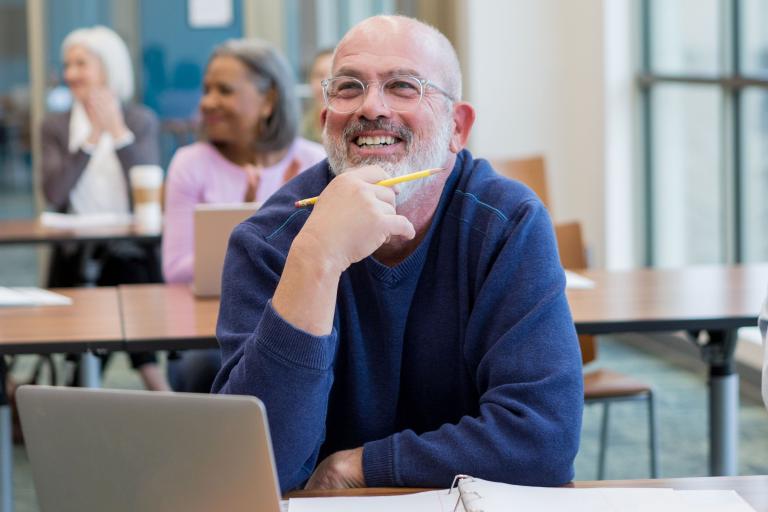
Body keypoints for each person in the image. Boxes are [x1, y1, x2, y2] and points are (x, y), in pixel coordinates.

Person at [213, 15, 583, 492]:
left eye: (403, 86)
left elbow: (543, 440)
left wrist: (362, 466)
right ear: (326, 120)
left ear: (457, 126)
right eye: (348, 88)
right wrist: (317, 260)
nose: (371, 107)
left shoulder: (507, 224)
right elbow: (256, 466)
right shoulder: (268, 241)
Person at [162, 39, 325, 392]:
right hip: (209, 330)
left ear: (269, 100)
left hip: (298, 320)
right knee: (202, 367)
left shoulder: (314, 163)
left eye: (224, 90)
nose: (208, 102)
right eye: (206, 90)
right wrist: (253, 224)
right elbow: (175, 269)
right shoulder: (190, 164)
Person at [40, 26, 168, 391]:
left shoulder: (140, 120)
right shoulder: (54, 125)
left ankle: (81, 388)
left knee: (119, 264)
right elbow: (54, 193)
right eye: (67, 65)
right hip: (74, 250)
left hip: (129, 246)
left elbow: (147, 183)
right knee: (112, 273)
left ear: (108, 68)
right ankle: (154, 381)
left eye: (81, 63)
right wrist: (91, 139)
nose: (71, 74)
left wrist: (116, 131)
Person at [300, 48, 333, 143]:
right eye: (319, 75)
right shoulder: (299, 130)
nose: (326, 84)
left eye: (332, 75)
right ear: (310, 80)